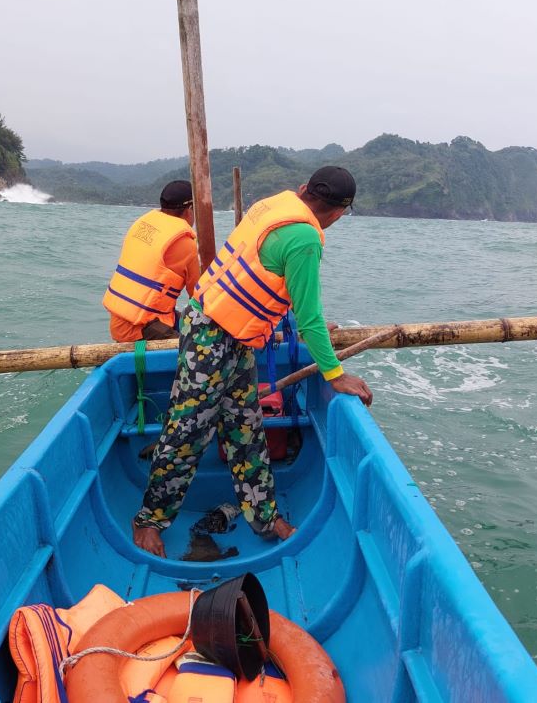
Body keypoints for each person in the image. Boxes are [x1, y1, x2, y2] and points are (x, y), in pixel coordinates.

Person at [132, 166, 374, 558]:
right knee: (186, 433)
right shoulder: (305, 238)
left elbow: (266, 279)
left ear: (303, 189)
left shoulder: (276, 204)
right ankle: (148, 520)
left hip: (232, 336)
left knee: (246, 430)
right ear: (340, 212)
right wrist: (335, 374)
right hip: (210, 334)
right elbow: (310, 319)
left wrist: (297, 322)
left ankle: (265, 517)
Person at [102, 180, 201, 342]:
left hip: (119, 322)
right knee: (200, 347)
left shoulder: (143, 224)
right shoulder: (185, 243)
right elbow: (198, 296)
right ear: (190, 210)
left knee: (180, 318)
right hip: (142, 329)